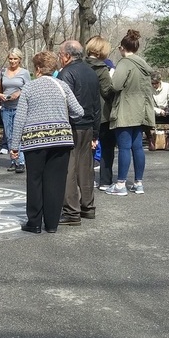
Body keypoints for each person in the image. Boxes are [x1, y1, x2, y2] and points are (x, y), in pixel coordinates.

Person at [11, 51, 84, 234]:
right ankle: (52, 223)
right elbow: (79, 112)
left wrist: (14, 146)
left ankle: (34, 222)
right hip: (61, 139)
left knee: (35, 180)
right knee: (56, 181)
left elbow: (20, 118)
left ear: (37, 69)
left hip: (34, 140)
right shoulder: (63, 86)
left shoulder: (29, 88)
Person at [105, 30, 155, 196]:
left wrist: (111, 77)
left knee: (124, 147)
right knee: (137, 147)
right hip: (141, 109)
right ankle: (138, 183)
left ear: (122, 48)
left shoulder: (125, 63)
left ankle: (120, 185)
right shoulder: (143, 65)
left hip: (126, 109)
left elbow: (116, 86)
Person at [57, 40, 100, 226]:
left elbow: (63, 103)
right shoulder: (91, 72)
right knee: (85, 168)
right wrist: (96, 132)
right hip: (88, 125)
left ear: (67, 56)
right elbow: (98, 104)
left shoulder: (66, 73)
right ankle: (88, 207)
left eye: (60, 55)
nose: (59, 58)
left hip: (72, 126)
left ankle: (71, 212)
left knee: (69, 169)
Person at [84, 36, 115, 190]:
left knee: (86, 149)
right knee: (107, 148)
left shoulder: (80, 66)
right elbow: (107, 91)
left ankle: (87, 179)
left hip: (83, 113)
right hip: (102, 114)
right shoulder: (102, 69)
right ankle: (105, 181)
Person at [0, 48, 31, 173]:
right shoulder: (3, 71)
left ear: (20, 60)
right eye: (10, 58)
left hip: (19, 107)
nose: (12, 61)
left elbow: (29, 88)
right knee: (9, 135)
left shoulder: (24, 73)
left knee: (18, 135)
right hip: (6, 107)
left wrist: (19, 93)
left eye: (15, 59)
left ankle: (20, 161)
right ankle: (13, 160)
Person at [145, 71, 169, 151]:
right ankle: (150, 140)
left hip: (166, 111)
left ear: (160, 81)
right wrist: (159, 111)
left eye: (155, 83)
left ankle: (168, 138)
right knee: (144, 118)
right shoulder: (148, 88)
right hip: (153, 112)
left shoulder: (166, 86)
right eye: (152, 83)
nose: (154, 85)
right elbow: (148, 104)